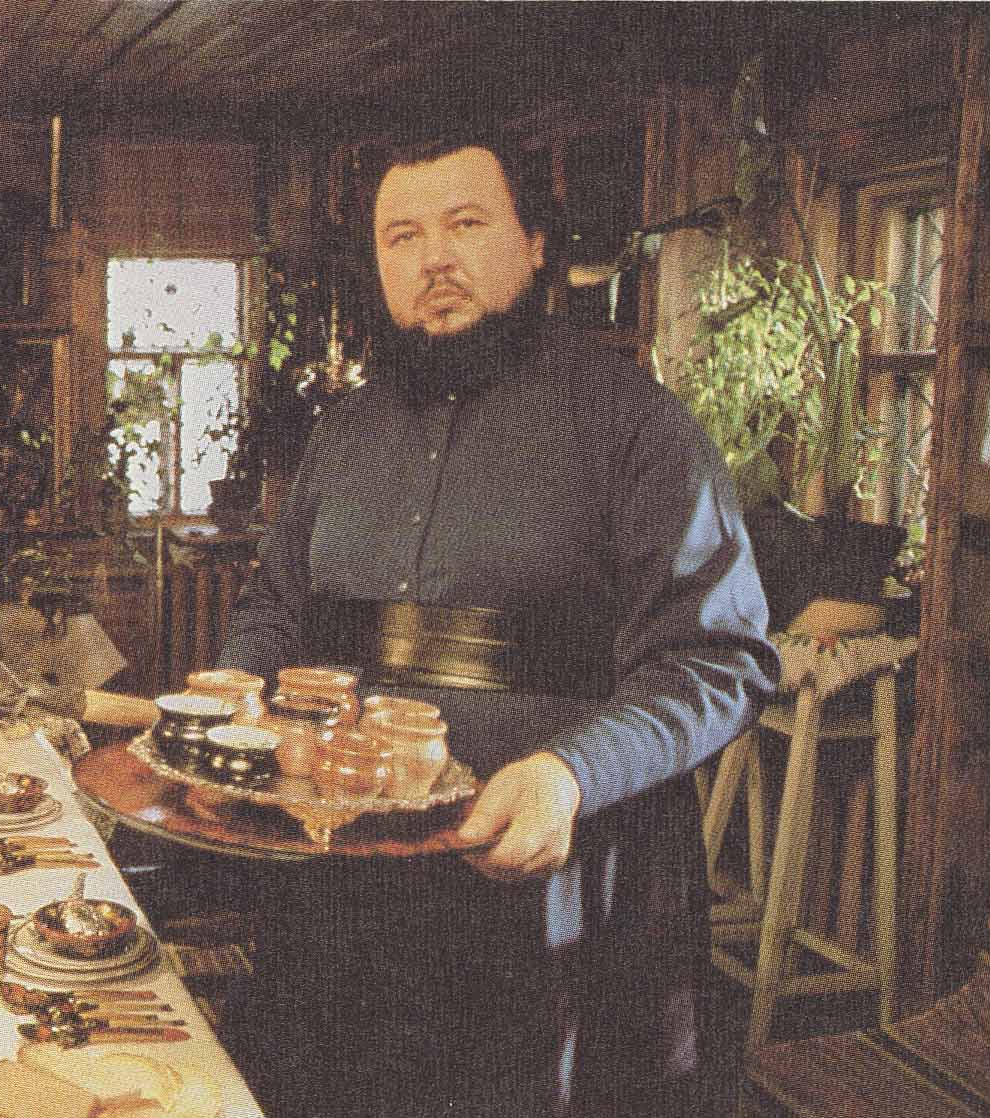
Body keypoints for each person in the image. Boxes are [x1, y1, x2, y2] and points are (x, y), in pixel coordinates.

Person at [214, 133, 780, 1117]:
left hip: (559, 890)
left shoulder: (636, 425)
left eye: (465, 223)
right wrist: (235, 687)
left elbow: (716, 657)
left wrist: (571, 773)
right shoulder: (342, 432)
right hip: (343, 891)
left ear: (535, 244)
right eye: (402, 236)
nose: (433, 258)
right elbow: (277, 603)